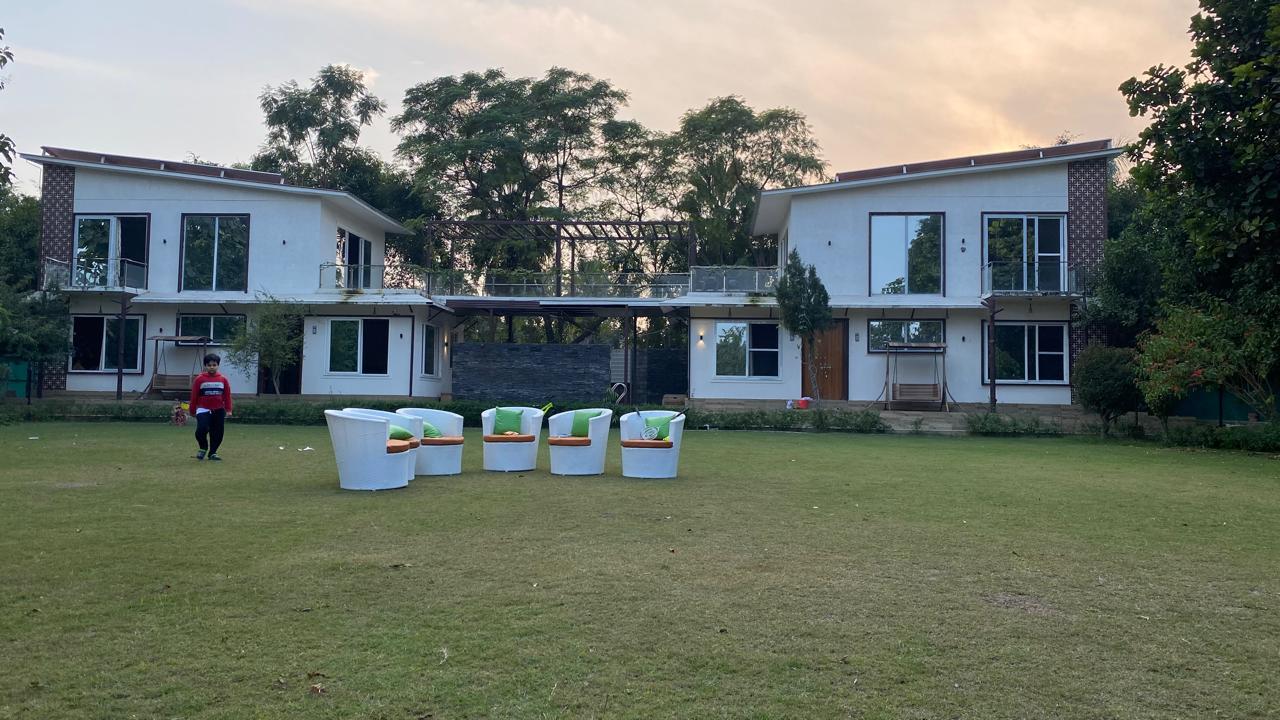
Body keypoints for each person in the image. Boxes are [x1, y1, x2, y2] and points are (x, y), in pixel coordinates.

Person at [189, 353, 233, 461]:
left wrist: (228, 409)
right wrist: (192, 410)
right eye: (209, 365)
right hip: (203, 409)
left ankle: (213, 452)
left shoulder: (223, 379)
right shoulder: (199, 379)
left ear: (218, 365)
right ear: (205, 366)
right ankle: (203, 447)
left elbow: (227, 395)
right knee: (201, 429)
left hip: (218, 410)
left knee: (217, 432)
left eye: (214, 365)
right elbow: (194, 396)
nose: (212, 367)